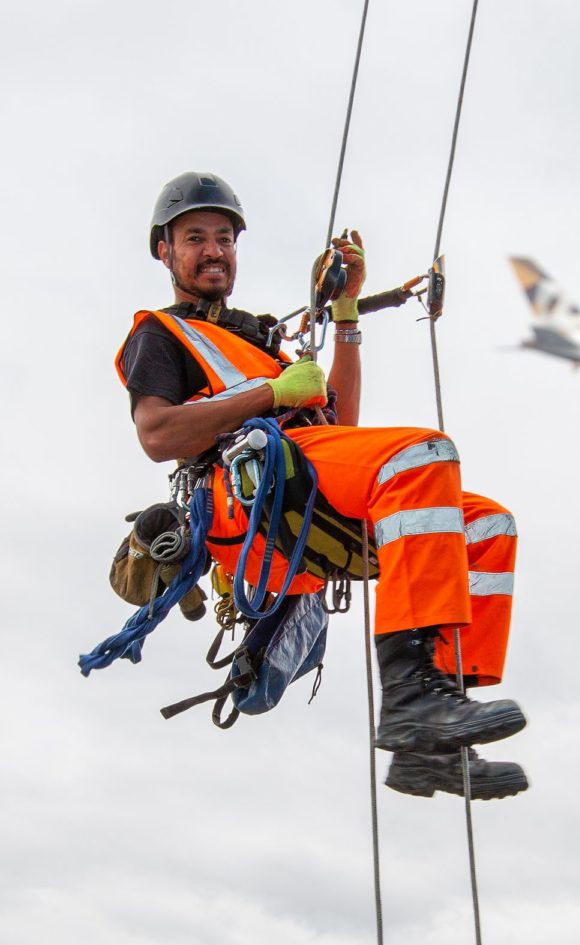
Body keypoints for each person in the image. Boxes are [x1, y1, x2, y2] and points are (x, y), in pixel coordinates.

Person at [116, 171, 529, 800]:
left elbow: (341, 427)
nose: (213, 250)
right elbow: (156, 434)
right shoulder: (161, 334)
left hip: (307, 485)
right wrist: (273, 393)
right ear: (164, 252)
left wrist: (344, 316)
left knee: (488, 527)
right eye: (194, 237)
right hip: (246, 500)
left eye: (224, 237)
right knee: (424, 454)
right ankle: (411, 698)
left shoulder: (258, 339)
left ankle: (438, 737)